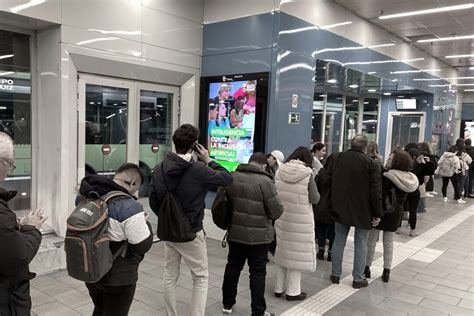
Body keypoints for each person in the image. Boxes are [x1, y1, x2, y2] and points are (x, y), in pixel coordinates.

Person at [149, 124, 233, 316]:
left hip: (169, 232)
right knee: (200, 277)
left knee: (170, 276)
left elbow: (154, 201)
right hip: (191, 232)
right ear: (195, 145)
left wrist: (169, 218)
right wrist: (209, 160)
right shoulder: (198, 169)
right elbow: (227, 179)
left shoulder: (159, 168)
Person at [78, 163, 153, 316]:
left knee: (99, 309)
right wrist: (147, 225)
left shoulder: (86, 196)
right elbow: (142, 245)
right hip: (118, 277)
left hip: (91, 270)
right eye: (136, 187)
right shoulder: (129, 207)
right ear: (132, 183)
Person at [221, 152, 283, 316]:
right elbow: (276, 211)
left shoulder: (232, 177)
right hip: (259, 238)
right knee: (257, 273)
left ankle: (227, 304)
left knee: (233, 267)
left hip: (235, 233)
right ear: (263, 165)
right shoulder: (266, 181)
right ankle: (258, 311)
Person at [326, 134, 382, 289]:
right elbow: (376, 191)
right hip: (363, 210)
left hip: (340, 207)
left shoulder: (336, 158)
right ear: (365, 147)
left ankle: (335, 274)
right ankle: (358, 278)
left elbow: (327, 181)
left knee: (339, 240)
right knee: (361, 242)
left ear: (351, 144)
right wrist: (377, 213)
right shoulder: (371, 163)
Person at [0, 132, 46, 316]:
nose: (10, 170)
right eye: (10, 164)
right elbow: (18, 257)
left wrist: (14, 228)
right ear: (2, 162)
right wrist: (31, 228)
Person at [273, 146, 320, 301]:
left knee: (282, 251)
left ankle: (278, 288)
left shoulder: (279, 171)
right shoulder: (308, 174)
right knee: (296, 255)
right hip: (300, 221)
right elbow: (315, 198)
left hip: (282, 217)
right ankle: (293, 292)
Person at [365, 150, 418, 283]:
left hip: (381, 211)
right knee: (388, 242)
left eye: (391, 158)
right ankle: (386, 271)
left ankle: (366, 268)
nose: (388, 159)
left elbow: (379, 194)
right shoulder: (410, 179)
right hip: (396, 213)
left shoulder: (387, 176)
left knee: (371, 240)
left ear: (396, 161)